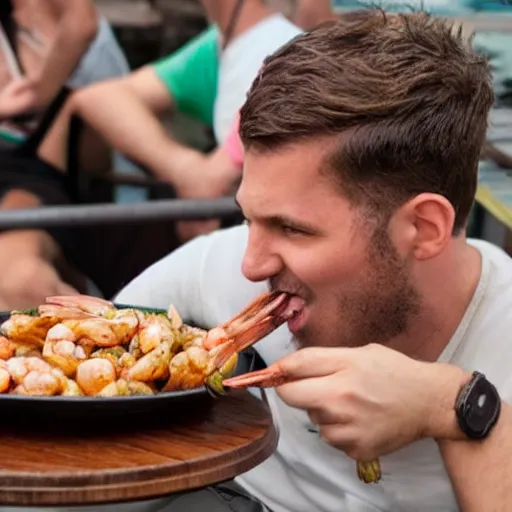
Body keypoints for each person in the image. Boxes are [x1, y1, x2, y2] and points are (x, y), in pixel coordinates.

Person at [115, 9, 512, 511]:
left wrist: (450, 405)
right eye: (249, 219)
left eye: (291, 229)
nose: (251, 266)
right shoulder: (224, 271)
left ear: (424, 228)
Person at [41, 0, 311, 242]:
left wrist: (199, 180)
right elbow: (96, 98)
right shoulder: (219, 43)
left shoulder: (280, 51)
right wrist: (183, 168)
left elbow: (212, 183)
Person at [0, 0, 130, 309]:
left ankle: (109, 336)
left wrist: (38, 93)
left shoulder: (58, 22)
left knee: (19, 278)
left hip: (35, 174)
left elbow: (82, 21)